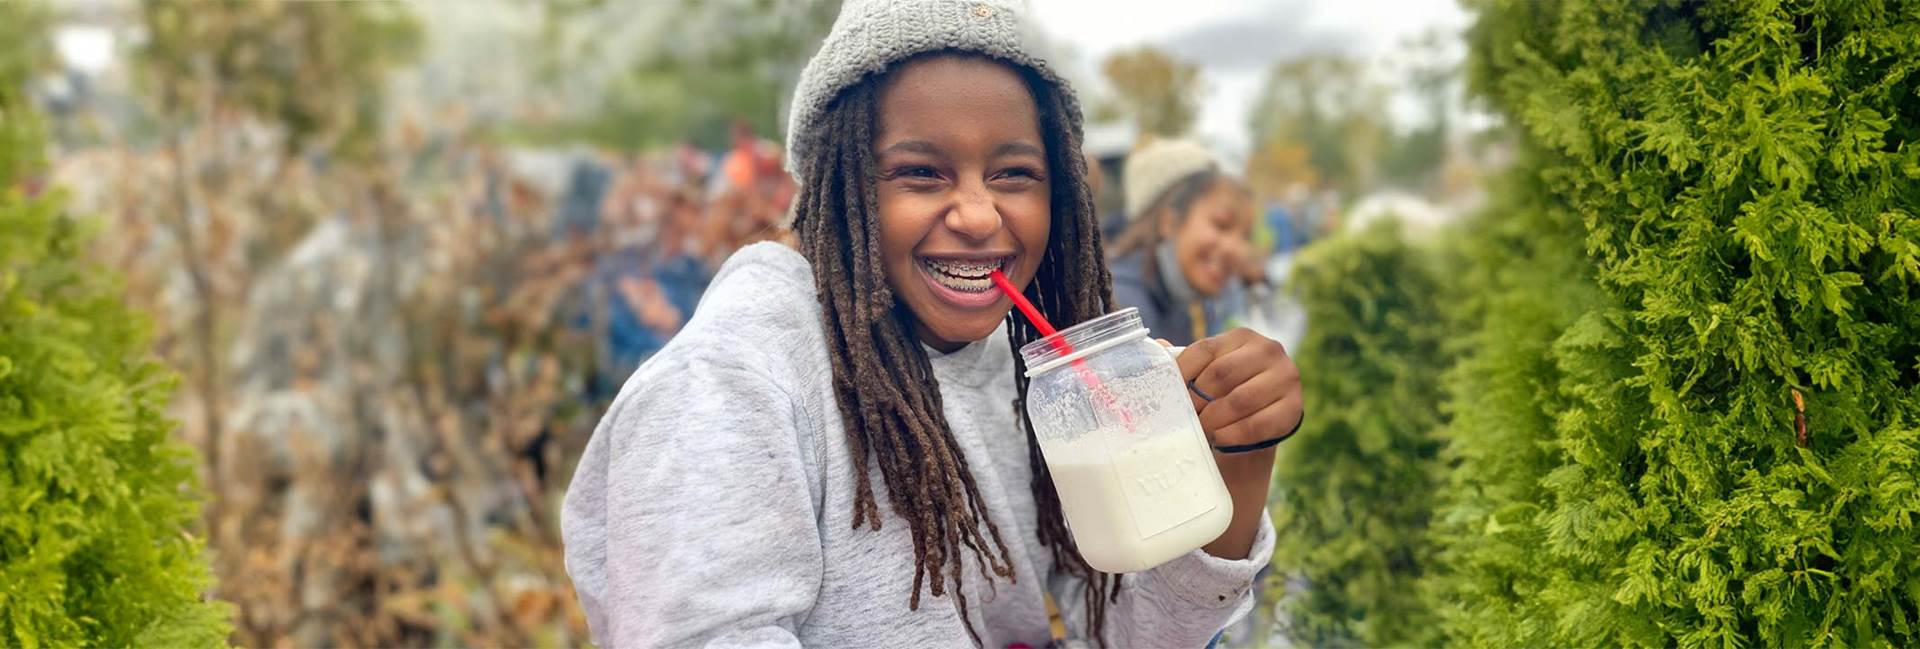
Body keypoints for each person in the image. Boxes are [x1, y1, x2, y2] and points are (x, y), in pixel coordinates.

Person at [561, 1, 1303, 646]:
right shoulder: (726, 387)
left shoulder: (1017, 365)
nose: (980, 215)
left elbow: (1126, 630)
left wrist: (1239, 456)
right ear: (837, 186)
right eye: (921, 172)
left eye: (1014, 173)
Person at [1105, 139, 1256, 346]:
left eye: (1245, 237)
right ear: (1169, 221)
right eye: (1221, 225)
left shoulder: (1185, 302)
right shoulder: (1120, 313)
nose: (1237, 250)